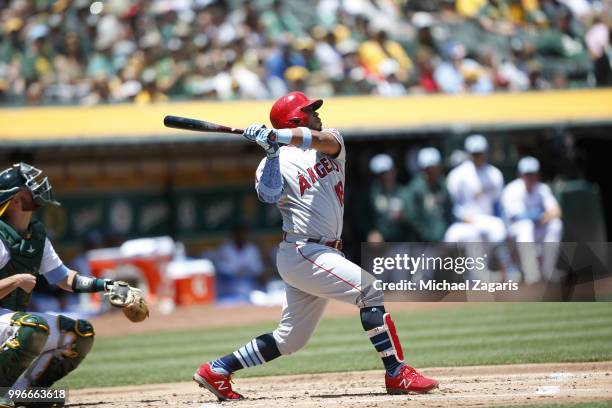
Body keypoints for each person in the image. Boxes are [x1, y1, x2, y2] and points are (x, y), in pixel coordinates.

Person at [192, 92, 438, 400]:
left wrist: (277, 135)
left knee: (290, 339)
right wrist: (271, 151)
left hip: (323, 252)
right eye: (309, 110)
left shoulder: (331, 141)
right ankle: (396, 373)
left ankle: (217, 369)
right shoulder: (274, 162)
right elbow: (268, 196)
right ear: (296, 118)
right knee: (369, 290)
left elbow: (320, 139)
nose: (317, 113)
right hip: (302, 250)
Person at [0, 163, 116, 408]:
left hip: (8, 320)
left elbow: (65, 279)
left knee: (79, 333)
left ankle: (24, 393)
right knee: (34, 327)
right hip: (6, 321)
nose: (38, 187)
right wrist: (15, 280)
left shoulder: (35, 235)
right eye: (30, 186)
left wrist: (109, 285)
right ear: (17, 199)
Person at [444, 135, 511, 280]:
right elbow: (450, 205)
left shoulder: (494, 174)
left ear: (486, 152)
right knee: (458, 236)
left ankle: (507, 269)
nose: (477, 156)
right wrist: (461, 216)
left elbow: (499, 204)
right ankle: (461, 277)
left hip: (487, 220)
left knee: (499, 228)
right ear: (468, 154)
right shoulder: (457, 175)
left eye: (480, 153)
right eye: (474, 154)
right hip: (462, 222)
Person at [501, 157, 563, 284]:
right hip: (513, 235)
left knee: (556, 225)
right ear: (520, 174)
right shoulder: (512, 189)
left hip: (536, 229)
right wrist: (541, 215)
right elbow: (517, 217)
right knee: (526, 226)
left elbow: (557, 211)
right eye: (527, 174)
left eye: (532, 174)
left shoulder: (542, 189)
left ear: (537, 174)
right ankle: (532, 274)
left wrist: (541, 217)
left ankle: (548, 270)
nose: (530, 177)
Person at [405, 147, 453, 243]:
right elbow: (413, 218)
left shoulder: (442, 185)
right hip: (423, 243)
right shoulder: (415, 188)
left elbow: (449, 210)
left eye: (435, 168)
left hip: (445, 238)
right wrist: (429, 236)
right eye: (429, 169)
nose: (433, 171)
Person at [367, 154, 413, 243]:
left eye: (387, 173)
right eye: (380, 174)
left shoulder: (404, 193)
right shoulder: (372, 194)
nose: (385, 177)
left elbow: (415, 217)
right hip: (380, 243)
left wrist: (404, 217)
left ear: (394, 171)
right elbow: (363, 218)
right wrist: (371, 232)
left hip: (403, 241)